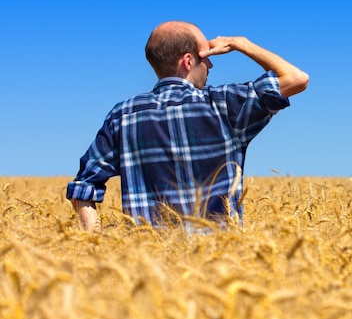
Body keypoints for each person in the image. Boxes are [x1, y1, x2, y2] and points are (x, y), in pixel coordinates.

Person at [66, 21, 309, 233]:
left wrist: (94, 243)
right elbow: (296, 78)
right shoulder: (223, 105)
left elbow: (83, 187)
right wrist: (240, 43)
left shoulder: (123, 116)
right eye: (207, 56)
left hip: (149, 273)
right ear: (188, 60)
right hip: (220, 268)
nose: (211, 65)